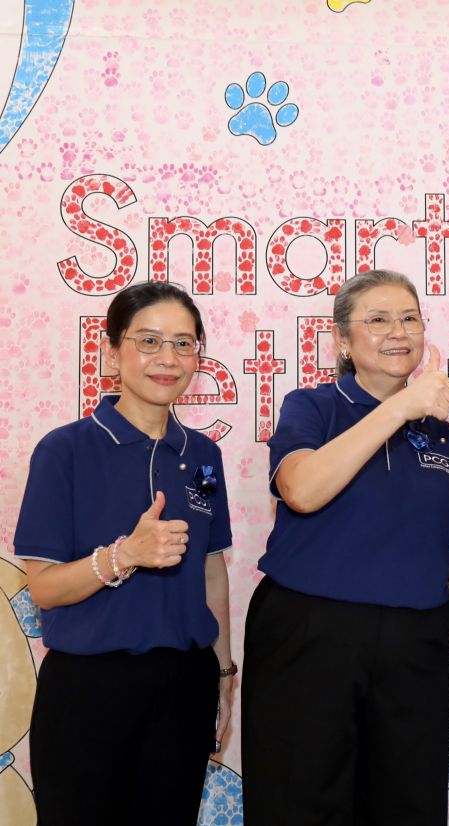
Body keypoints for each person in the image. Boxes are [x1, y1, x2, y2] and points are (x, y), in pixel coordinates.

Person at [241, 269, 449, 825]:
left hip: (415, 642)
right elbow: (301, 490)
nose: (397, 331)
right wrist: (398, 409)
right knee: (297, 799)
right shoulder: (313, 407)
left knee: (406, 802)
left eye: (409, 318)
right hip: (312, 632)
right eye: (376, 320)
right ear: (343, 340)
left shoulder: (441, 434)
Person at [14, 282, 233, 825]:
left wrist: (225, 676)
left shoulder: (203, 454)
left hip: (185, 686)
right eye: (150, 341)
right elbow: (42, 586)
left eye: (184, 344)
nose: (168, 359)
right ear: (111, 352)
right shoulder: (64, 449)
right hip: (89, 687)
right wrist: (124, 555)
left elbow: (212, 573)